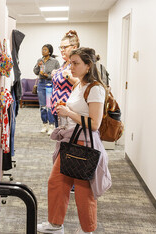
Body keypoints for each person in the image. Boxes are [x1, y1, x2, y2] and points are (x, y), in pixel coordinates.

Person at [37, 47, 112, 234]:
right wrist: (65, 109)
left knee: (83, 191)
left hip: (84, 143)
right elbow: (78, 111)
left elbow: (94, 124)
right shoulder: (78, 85)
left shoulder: (95, 89)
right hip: (71, 140)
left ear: (88, 65)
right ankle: (55, 224)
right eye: (71, 62)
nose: (71, 66)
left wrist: (69, 112)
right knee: (56, 182)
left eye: (76, 63)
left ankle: (88, 230)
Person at [50, 30, 80, 130]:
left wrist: (67, 76)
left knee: (66, 138)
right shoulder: (65, 63)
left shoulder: (76, 64)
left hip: (67, 110)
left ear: (74, 47)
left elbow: (81, 84)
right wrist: (56, 73)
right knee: (59, 137)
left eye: (65, 47)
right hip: (57, 108)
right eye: (61, 47)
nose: (62, 50)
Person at [33, 44, 60, 134]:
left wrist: (47, 76)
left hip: (50, 84)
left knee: (49, 106)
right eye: (42, 49)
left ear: (49, 51)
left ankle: (51, 125)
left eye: (45, 50)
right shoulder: (39, 60)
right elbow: (35, 72)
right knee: (42, 106)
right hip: (41, 84)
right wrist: (37, 65)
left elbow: (58, 75)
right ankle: (44, 124)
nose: (42, 51)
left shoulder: (55, 62)